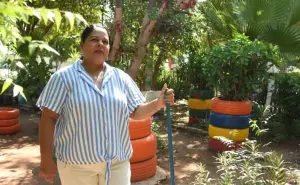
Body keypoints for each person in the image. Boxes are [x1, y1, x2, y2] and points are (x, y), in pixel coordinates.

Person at [37, 24, 175, 185]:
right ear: (82, 46)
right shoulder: (63, 78)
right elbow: (48, 118)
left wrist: (158, 104)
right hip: (76, 167)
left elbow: (136, 112)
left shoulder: (120, 78)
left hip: (116, 166)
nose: (100, 44)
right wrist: (46, 159)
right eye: (94, 40)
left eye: (105, 41)